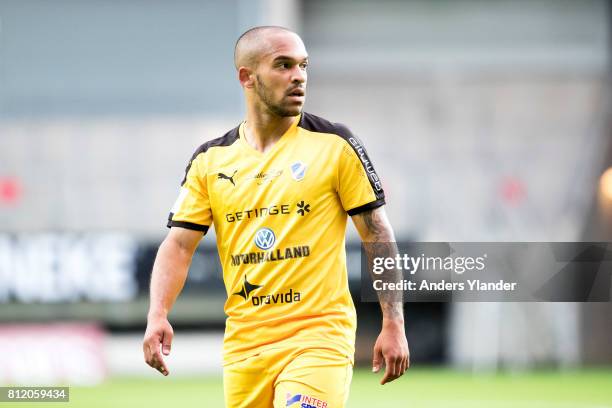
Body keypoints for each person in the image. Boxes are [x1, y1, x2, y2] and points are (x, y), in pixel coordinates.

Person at [143, 26, 409, 407]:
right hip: (245, 346)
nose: (298, 76)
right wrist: (157, 315)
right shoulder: (210, 160)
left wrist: (394, 323)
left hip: (318, 337)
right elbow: (179, 246)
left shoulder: (335, 145)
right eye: (283, 65)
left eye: (303, 66)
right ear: (246, 77)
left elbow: (377, 234)